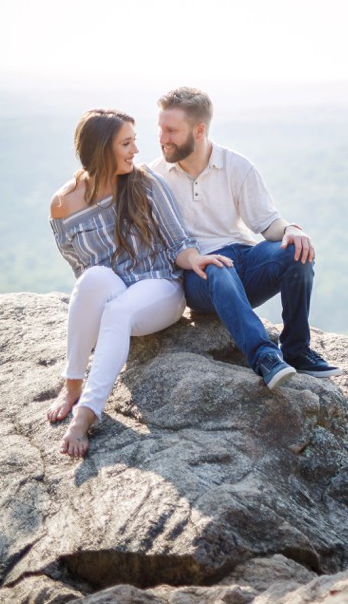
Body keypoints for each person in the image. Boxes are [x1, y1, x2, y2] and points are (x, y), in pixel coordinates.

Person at [48, 109, 234, 458]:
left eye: (134, 141)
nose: (136, 150)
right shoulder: (63, 205)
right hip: (114, 288)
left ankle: (86, 414)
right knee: (93, 278)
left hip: (159, 286)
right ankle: (72, 383)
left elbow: (179, 242)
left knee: (118, 312)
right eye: (126, 143)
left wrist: (194, 260)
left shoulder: (145, 182)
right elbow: (79, 269)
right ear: (101, 149)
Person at [147, 86, 340, 388]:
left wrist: (291, 230)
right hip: (200, 273)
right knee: (219, 268)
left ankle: (297, 350)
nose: (162, 138)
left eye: (171, 130)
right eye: (160, 129)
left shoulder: (236, 166)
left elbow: (267, 223)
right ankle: (264, 356)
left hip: (245, 261)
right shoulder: (154, 179)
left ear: (199, 131)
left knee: (296, 252)